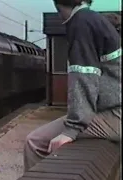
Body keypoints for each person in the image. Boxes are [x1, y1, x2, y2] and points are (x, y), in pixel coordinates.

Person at [23, 0, 121, 171]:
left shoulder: (81, 22)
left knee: (34, 142)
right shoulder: (92, 19)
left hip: (116, 115)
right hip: (113, 111)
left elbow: (85, 77)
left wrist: (72, 130)